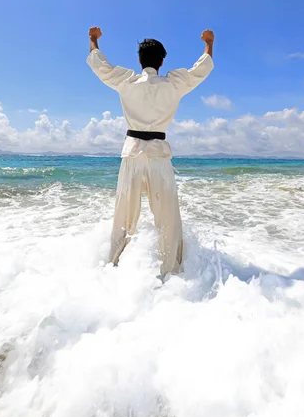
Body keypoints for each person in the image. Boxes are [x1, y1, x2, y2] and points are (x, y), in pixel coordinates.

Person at [87, 28, 214, 277]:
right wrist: (209, 43)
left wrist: (93, 40)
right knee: (168, 217)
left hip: (132, 153)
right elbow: (201, 69)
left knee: (124, 214)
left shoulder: (127, 81)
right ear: (162, 61)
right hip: (158, 155)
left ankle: (112, 268)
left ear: (139, 61)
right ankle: (172, 272)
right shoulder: (173, 84)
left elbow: (99, 65)